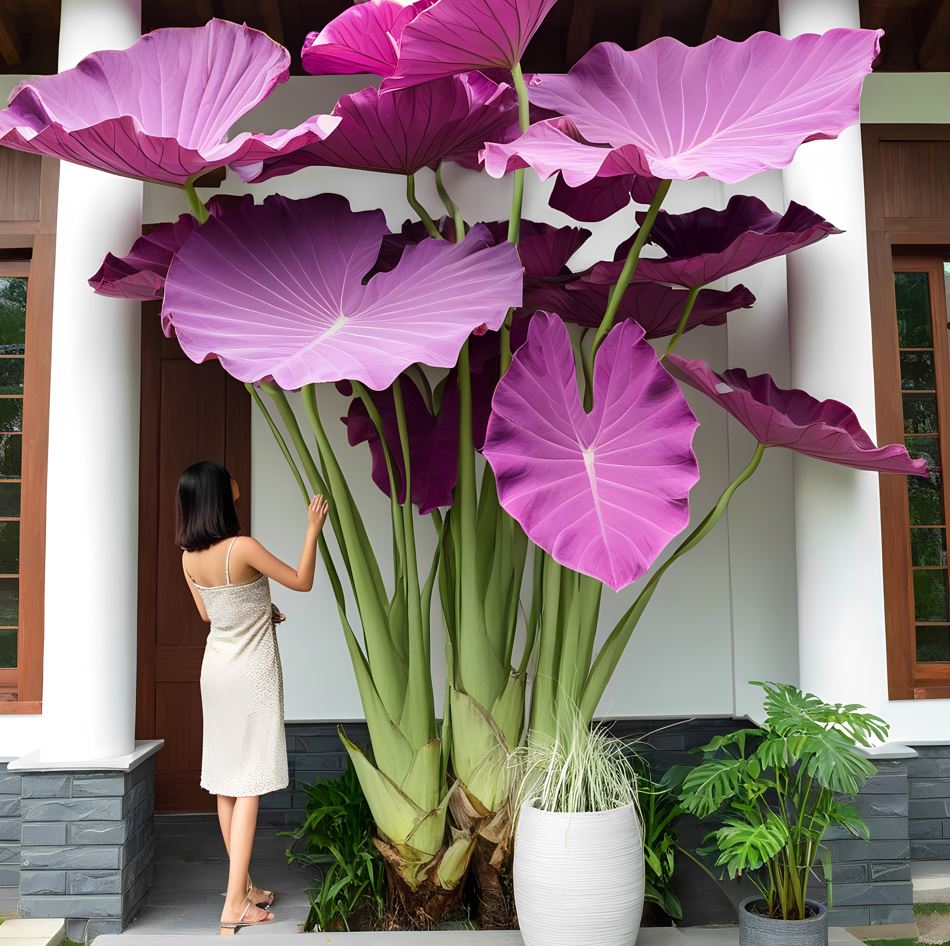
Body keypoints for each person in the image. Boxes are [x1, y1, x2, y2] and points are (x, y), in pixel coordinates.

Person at [175, 459, 329, 935]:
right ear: (221, 494)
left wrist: (263, 611)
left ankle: (243, 887)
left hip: (215, 671)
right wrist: (312, 529)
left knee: (226, 780)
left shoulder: (187, 556)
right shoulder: (241, 546)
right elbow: (302, 580)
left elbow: (210, 614)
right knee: (249, 784)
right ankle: (235, 905)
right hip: (251, 674)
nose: (236, 482)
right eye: (229, 480)